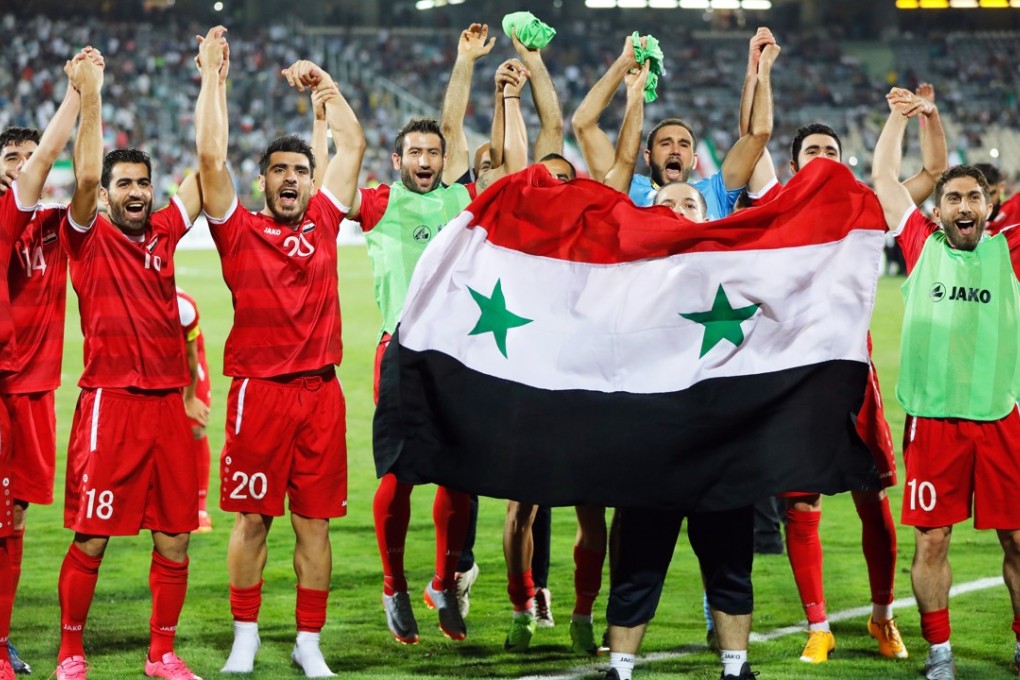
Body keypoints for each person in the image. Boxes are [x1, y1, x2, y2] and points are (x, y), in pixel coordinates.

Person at [744, 84, 945, 663]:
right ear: (794, 165)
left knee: (871, 499)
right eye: (814, 152)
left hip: (851, 376)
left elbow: (931, 170)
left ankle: (882, 617)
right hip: (792, 380)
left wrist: (903, 117)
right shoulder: (776, 203)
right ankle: (819, 626)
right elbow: (752, 138)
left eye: (833, 151)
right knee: (801, 505)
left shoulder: (863, 206)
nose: (825, 158)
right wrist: (759, 70)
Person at [195, 27, 364, 677]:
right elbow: (211, 160)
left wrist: (326, 84)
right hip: (258, 396)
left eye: (300, 170)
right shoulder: (239, 233)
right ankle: (246, 635)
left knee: (314, 527)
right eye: (280, 170)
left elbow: (353, 142)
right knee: (254, 520)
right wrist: (215, 75)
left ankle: (308, 642)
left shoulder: (325, 218)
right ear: (262, 180)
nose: (292, 179)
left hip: (321, 395)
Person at [356, 35, 529, 644]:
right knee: (399, 477)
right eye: (415, 152)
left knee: (459, 476)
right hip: (399, 351)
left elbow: (457, 129)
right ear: (398, 159)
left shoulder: (461, 198)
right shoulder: (379, 204)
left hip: (458, 356)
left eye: (434, 151)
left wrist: (474, 68)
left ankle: (444, 581)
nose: (427, 159)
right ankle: (392, 585)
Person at [54, 47, 205, 680]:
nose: (137, 193)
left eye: (144, 183)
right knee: (93, 536)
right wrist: (91, 92)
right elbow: (85, 178)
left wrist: (211, 79)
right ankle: (70, 649)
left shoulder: (168, 231)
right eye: (126, 185)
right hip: (109, 406)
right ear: (108, 196)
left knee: (173, 538)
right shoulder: (88, 240)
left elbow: (209, 168)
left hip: (168, 408)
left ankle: (161, 653)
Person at [872, 86, 1020, 680]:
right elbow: (886, 176)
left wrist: (934, 115)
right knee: (931, 543)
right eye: (952, 197)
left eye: (973, 197)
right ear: (938, 209)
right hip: (933, 424)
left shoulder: (1009, 247)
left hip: (1002, 418)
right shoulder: (920, 245)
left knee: (1017, 540)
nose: (963, 204)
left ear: (990, 206)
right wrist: (903, 118)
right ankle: (939, 653)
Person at [0, 48, 87, 680]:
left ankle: (1, 639)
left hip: (35, 395)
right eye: (12, 160)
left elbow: (86, 183)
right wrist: (80, 90)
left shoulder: (58, 228)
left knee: (15, 519)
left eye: (27, 160)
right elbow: (54, 158)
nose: (23, 168)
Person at [573, 28, 776, 218]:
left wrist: (758, 70)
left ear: (695, 160)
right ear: (648, 156)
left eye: (684, 144)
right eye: (665, 143)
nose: (675, 150)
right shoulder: (625, 186)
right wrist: (624, 63)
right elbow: (583, 124)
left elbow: (756, 136)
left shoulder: (715, 191)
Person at [176, 287, 212, 532]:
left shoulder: (182, 305)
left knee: (196, 428)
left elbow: (191, 355)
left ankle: (199, 506)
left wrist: (189, 397)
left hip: (187, 352)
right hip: (149, 356)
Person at [973, 162, 1020, 236]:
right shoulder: (962, 226)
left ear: (1001, 188)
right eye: (976, 197)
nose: (986, 202)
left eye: (991, 194)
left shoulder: (1016, 208)